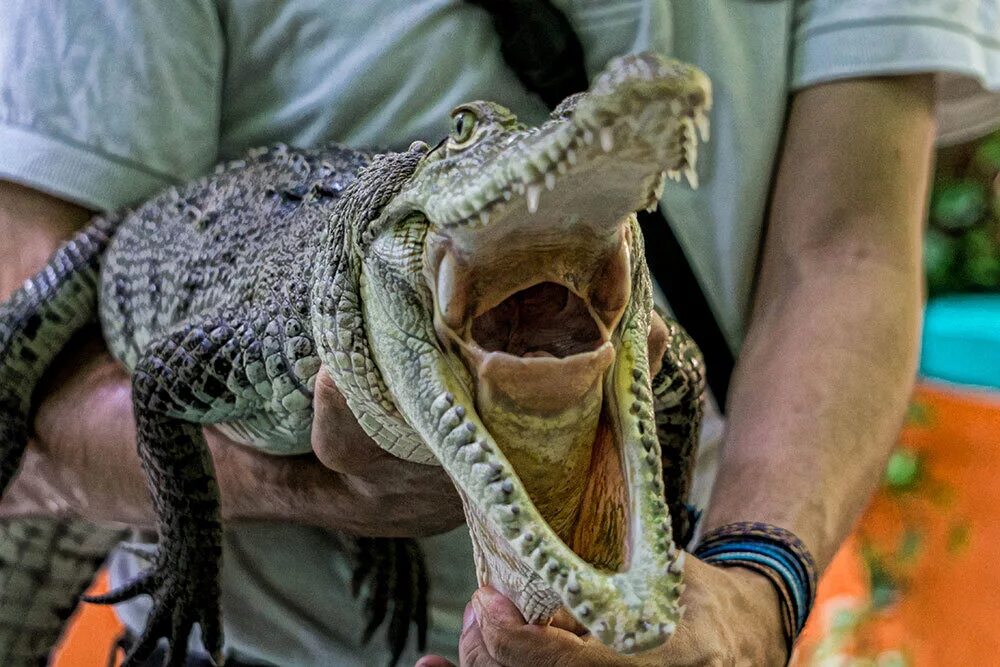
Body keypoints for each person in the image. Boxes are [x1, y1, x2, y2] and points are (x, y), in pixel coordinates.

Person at [1, 1, 998, 665]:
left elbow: (847, 247)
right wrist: (318, 491)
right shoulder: (278, 335)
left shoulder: (636, 319)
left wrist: (743, 584)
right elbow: (53, 340)